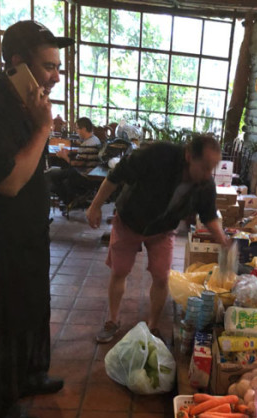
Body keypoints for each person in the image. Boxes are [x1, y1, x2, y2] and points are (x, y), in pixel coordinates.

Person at [0, 20, 74, 418]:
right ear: (17, 63)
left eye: (58, 68)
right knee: (1, 323)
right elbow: (10, 181)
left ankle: (30, 375)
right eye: (49, 66)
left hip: (30, 234)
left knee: (33, 307)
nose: (56, 76)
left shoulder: (27, 103)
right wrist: (44, 127)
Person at [86, 135, 228, 343]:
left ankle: (153, 326)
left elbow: (208, 215)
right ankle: (112, 320)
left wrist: (223, 241)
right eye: (205, 167)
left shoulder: (204, 184)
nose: (209, 174)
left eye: (213, 168)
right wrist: (95, 205)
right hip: (129, 220)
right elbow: (116, 175)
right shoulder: (159, 154)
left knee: (161, 277)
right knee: (119, 271)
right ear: (189, 156)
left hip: (162, 230)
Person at [48, 116, 101, 208]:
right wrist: (70, 153)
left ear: (83, 129)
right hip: (89, 173)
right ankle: (71, 201)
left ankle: (69, 202)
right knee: (59, 176)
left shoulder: (87, 144)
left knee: (52, 175)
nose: (76, 131)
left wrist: (64, 156)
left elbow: (77, 163)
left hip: (84, 176)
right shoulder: (95, 139)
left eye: (77, 128)